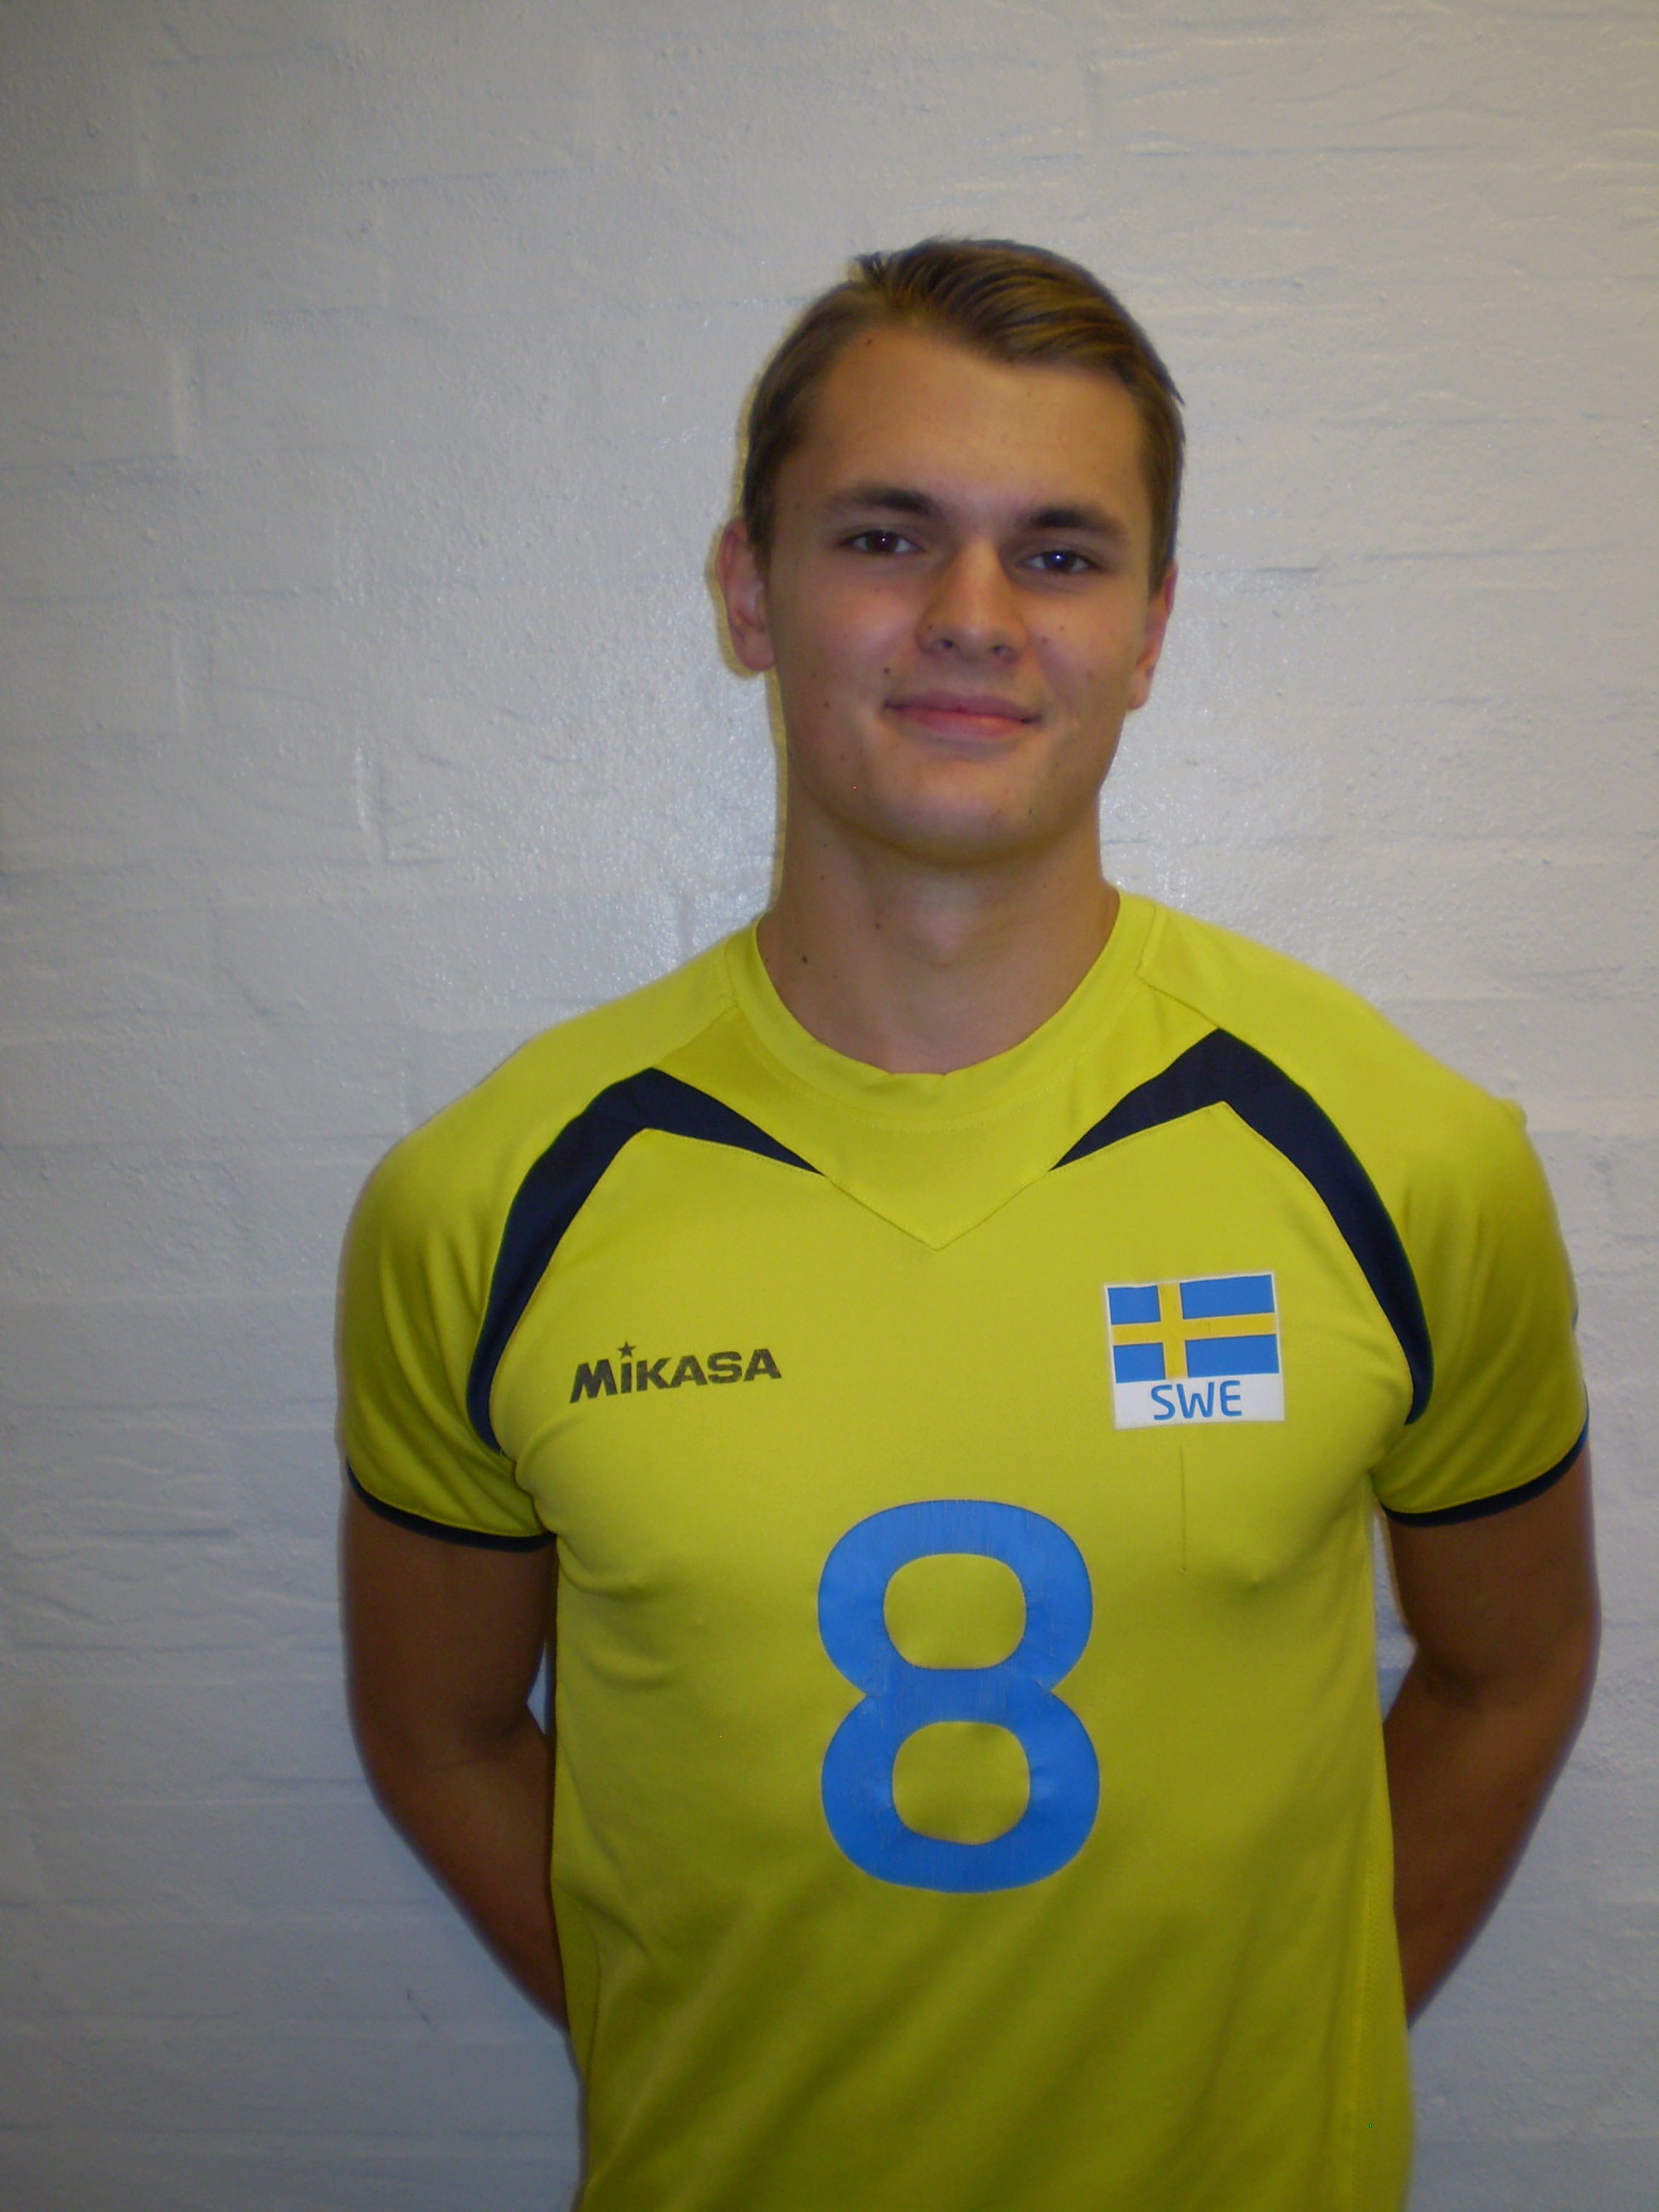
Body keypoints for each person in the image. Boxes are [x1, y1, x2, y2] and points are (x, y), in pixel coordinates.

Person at [339, 240, 1598, 2211]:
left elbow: (1509, 1670)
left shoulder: (1401, 1156)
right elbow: (437, 1731)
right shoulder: (489, 1201)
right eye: (886, 534)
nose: (972, 616)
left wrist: (1283, 2059)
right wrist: (704, 2043)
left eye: (1060, 553)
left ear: (1150, 628)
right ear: (749, 590)